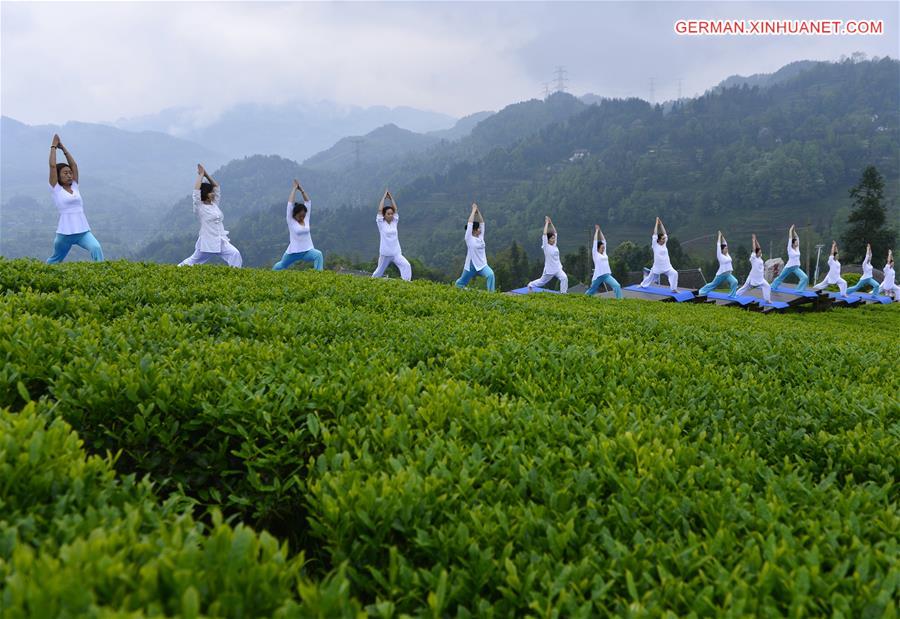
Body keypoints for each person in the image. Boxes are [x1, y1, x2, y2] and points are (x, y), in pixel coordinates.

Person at [46, 134, 104, 263]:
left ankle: (101, 273)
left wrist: (63, 148)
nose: (69, 175)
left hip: (82, 231)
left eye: (70, 173)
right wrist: (54, 146)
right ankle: (39, 277)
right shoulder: (56, 189)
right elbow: (52, 166)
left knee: (96, 248)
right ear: (58, 176)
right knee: (55, 260)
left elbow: (74, 165)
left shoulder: (75, 186)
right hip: (64, 233)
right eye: (65, 173)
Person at [178, 164, 242, 267]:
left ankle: (237, 275)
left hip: (220, 240)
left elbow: (216, 187)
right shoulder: (200, 207)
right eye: (210, 192)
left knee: (235, 254)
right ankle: (177, 268)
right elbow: (196, 193)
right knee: (193, 262)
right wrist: (200, 176)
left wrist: (206, 174)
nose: (213, 194)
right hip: (207, 242)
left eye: (212, 192)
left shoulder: (214, 204)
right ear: (204, 194)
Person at [273, 179, 324, 271]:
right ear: (294, 214)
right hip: (294, 251)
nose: (302, 217)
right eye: (300, 216)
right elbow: (290, 204)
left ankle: (319, 276)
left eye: (304, 215)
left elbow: (308, 202)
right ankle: (271, 274)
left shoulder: (306, 218)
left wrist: (302, 190)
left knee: (318, 255)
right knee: (281, 265)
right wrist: (294, 189)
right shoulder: (291, 220)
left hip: (307, 250)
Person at [371, 190, 412, 280]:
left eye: (391, 214)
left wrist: (391, 198)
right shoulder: (381, 223)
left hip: (396, 252)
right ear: (384, 215)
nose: (390, 215)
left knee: (406, 265)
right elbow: (379, 210)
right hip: (385, 253)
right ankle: (371, 282)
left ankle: (407, 283)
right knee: (378, 273)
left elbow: (396, 209)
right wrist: (383, 198)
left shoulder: (394, 222)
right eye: (388, 214)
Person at [455, 202, 495, 292]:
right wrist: (473, 211)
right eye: (478, 229)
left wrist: (478, 211)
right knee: (459, 284)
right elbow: (469, 223)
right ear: (474, 230)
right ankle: (471, 291)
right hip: (471, 266)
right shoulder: (469, 238)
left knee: (490, 275)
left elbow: (482, 223)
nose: (480, 229)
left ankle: (491, 294)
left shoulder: (480, 237)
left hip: (482, 265)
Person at [527, 216, 568, 293]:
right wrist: (546, 223)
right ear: (548, 240)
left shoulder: (554, 245)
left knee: (564, 278)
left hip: (558, 268)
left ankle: (563, 293)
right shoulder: (546, 246)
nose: (554, 239)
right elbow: (545, 234)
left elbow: (555, 233)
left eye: (554, 238)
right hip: (549, 269)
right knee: (541, 282)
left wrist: (551, 223)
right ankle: (530, 285)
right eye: (552, 238)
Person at [639, 217, 678, 291]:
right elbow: (655, 233)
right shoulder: (655, 245)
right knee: (650, 277)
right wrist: (656, 223)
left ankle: (673, 289)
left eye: (664, 239)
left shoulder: (664, 244)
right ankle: (642, 285)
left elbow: (665, 233)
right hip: (657, 267)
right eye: (662, 239)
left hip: (667, 266)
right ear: (658, 240)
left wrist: (661, 223)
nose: (664, 240)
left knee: (674, 273)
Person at [585, 225, 622, 299]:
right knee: (591, 291)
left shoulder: (604, 253)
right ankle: (583, 298)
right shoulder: (595, 254)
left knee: (617, 285)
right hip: (598, 275)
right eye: (602, 248)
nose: (603, 248)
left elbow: (604, 240)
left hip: (606, 275)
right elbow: (595, 241)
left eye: (604, 247)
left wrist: (600, 231)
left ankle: (620, 300)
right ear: (598, 248)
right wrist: (596, 231)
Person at [698, 231, 738, 297]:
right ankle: (701, 292)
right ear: (722, 250)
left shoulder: (727, 255)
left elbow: (725, 243)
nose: (727, 249)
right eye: (725, 249)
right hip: (721, 274)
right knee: (713, 285)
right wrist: (719, 236)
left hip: (728, 274)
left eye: (727, 248)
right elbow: (718, 245)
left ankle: (732, 295)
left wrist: (722, 236)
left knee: (735, 282)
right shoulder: (720, 255)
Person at [771, 225, 809, 292]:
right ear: (793, 243)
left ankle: (799, 290)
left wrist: (794, 231)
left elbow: (797, 237)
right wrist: (790, 230)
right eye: (796, 242)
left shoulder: (797, 249)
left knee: (805, 277)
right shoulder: (790, 249)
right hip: (789, 266)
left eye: (797, 241)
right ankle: (772, 286)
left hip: (796, 267)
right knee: (781, 277)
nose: (797, 242)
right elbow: (790, 238)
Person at [736, 234, 772, 302]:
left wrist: (756, 240)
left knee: (767, 286)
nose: (761, 252)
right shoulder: (753, 258)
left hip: (760, 279)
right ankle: (736, 295)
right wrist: (753, 241)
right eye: (759, 252)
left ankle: (767, 299)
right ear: (756, 253)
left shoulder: (759, 257)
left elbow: (759, 247)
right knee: (744, 288)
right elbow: (754, 249)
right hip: (752, 278)